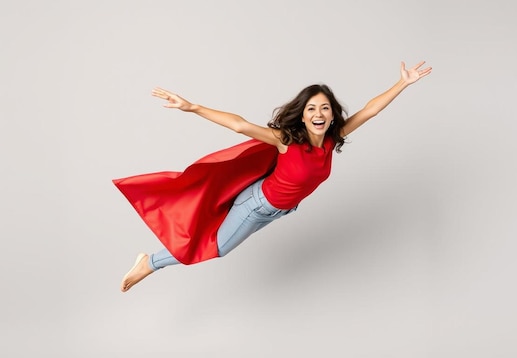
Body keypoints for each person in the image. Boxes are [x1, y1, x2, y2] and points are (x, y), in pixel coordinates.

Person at [118, 60, 432, 292]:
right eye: (311, 109)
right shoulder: (287, 141)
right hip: (257, 205)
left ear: (333, 114)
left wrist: (403, 83)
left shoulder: (333, 139)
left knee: (209, 236)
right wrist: (193, 107)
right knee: (218, 247)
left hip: (278, 210)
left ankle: (153, 260)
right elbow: (241, 125)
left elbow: (370, 110)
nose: (318, 114)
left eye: (324, 108)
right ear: (303, 114)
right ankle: (150, 262)